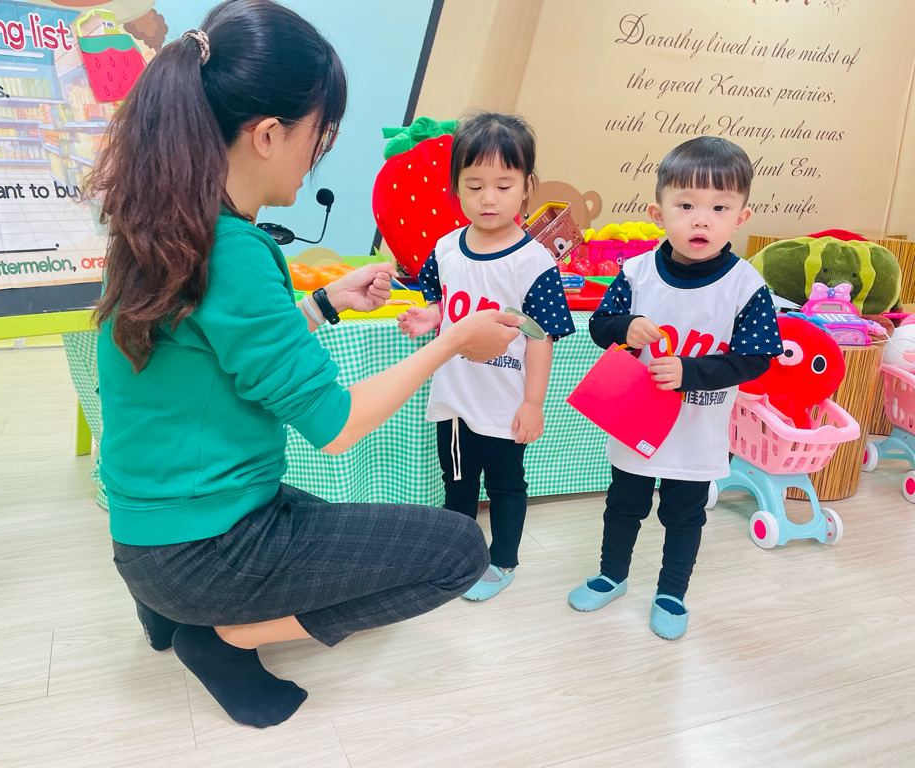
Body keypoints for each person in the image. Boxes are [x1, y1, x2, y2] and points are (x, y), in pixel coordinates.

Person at [91, 0, 525, 729]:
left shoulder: (158, 223)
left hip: (146, 534)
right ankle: (221, 636)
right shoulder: (235, 250)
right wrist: (451, 341)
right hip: (203, 550)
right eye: (320, 135)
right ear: (267, 135)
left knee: (350, 534)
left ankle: (170, 613)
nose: (318, 153)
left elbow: (216, 351)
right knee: (456, 551)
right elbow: (337, 425)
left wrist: (322, 305)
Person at [566, 136, 783, 640]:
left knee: (684, 516)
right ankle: (612, 575)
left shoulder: (746, 285)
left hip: (697, 432)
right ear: (658, 213)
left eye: (719, 208)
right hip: (635, 423)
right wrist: (625, 327)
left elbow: (756, 358)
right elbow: (599, 326)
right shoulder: (637, 272)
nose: (701, 220)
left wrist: (691, 372)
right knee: (623, 505)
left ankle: (671, 592)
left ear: (741, 217)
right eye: (686, 206)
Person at [398, 113, 575, 601]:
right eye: (474, 186)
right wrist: (430, 317)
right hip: (454, 400)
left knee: (505, 487)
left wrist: (533, 403)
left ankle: (503, 560)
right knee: (457, 484)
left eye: (503, 185)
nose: (488, 198)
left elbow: (540, 337)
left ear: (527, 187)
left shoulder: (534, 262)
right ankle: (457, 556)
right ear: (456, 187)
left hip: (504, 405)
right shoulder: (445, 249)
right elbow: (445, 301)